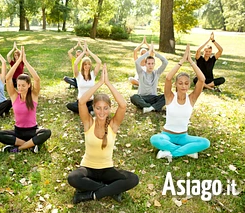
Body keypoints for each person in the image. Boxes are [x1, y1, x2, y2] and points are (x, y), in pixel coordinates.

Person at [67, 64, 139, 204]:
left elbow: (123, 105)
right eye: (98, 108)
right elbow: (82, 102)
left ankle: (90, 195)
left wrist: (108, 83)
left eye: (105, 108)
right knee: (73, 178)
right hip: (88, 169)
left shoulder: (113, 125)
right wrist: (99, 83)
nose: (102, 112)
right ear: (93, 108)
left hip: (107, 170)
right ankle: (110, 190)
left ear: (110, 109)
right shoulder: (88, 123)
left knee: (133, 179)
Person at [150, 44, 210, 161]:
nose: (183, 86)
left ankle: (170, 153)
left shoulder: (191, 98)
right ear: (176, 84)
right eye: (180, 83)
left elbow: (202, 79)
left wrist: (191, 61)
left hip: (183, 136)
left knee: (205, 142)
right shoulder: (170, 97)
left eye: (186, 83)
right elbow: (168, 78)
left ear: (189, 85)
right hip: (167, 135)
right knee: (154, 139)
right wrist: (182, 60)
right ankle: (187, 151)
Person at [0, 46, 51, 153]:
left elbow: (37, 79)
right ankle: (31, 144)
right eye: (19, 85)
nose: (20, 88)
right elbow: (8, 78)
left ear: (29, 85)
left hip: (32, 130)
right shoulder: (14, 95)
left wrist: (25, 61)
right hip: (18, 132)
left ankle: (18, 148)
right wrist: (18, 61)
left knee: (47, 132)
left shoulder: (33, 95)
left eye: (23, 85)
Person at [130, 43, 168, 113]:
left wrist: (155, 53)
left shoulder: (157, 73)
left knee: (168, 95)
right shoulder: (141, 73)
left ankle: (148, 107)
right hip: (142, 98)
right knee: (133, 97)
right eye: (149, 63)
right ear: (145, 64)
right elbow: (137, 62)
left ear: (154, 64)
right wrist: (147, 53)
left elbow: (165, 62)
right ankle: (152, 107)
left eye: (152, 63)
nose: (150, 65)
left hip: (153, 98)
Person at [66, 42, 102, 113]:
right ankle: (86, 111)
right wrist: (83, 53)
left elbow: (99, 62)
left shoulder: (93, 74)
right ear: (82, 65)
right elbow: (76, 63)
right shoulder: (78, 75)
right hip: (81, 102)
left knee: (98, 106)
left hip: (90, 102)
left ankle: (86, 110)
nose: (87, 66)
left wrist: (88, 50)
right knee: (69, 105)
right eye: (85, 64)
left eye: (89, 64)